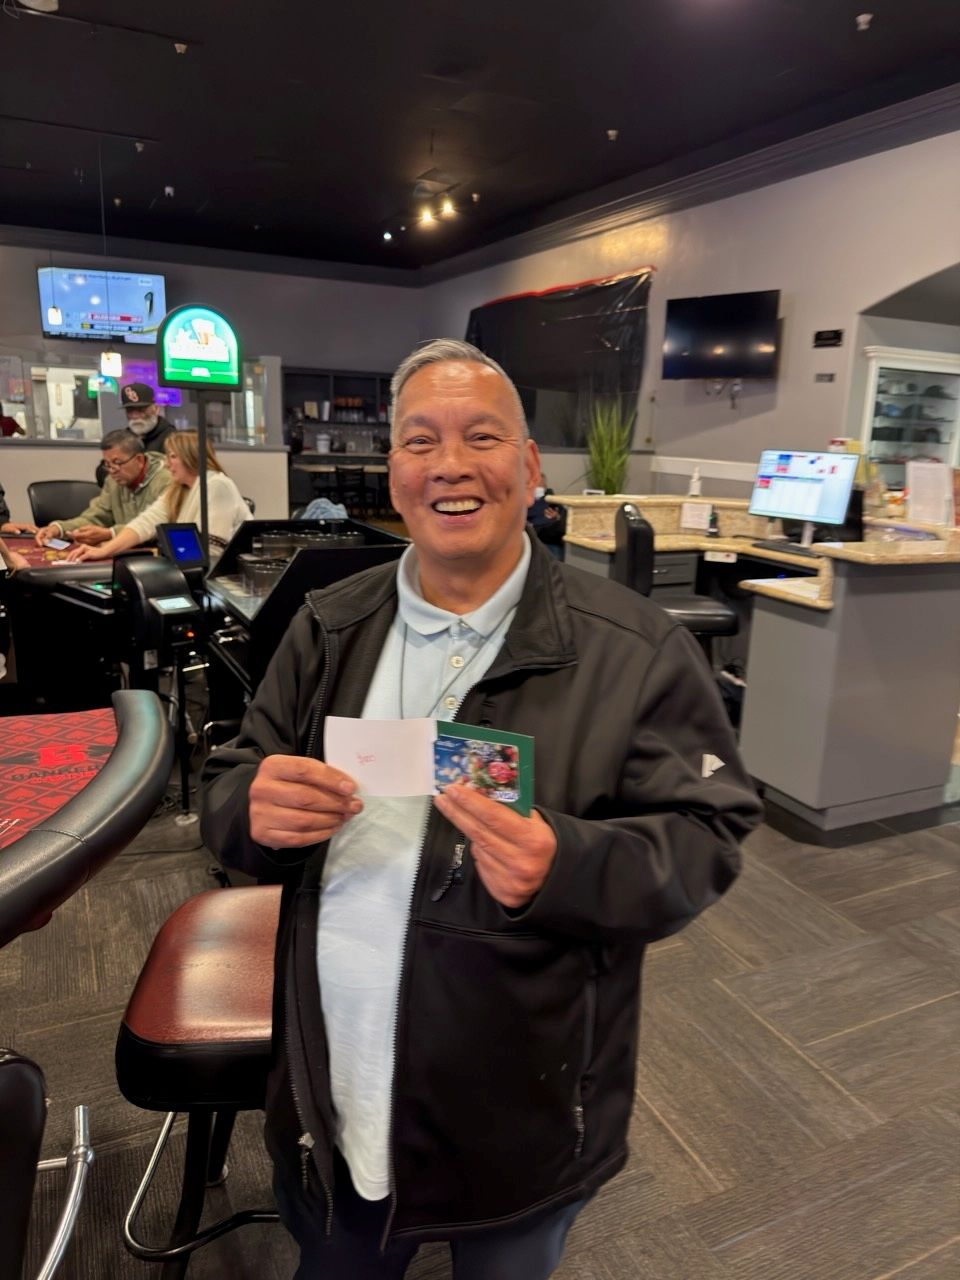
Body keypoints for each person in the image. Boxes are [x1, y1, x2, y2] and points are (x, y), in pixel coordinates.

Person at [199, 339, 762, 1279]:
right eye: (421, 441)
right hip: (332, 1097)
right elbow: (234, 774)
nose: (451, 464)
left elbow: (709, 833)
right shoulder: (330, 624)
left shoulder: (637, 651)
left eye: (482, 436)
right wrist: (249, 809)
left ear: (531, 468)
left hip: (523, 1114)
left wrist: (566, 865)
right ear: (394, 474)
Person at [68, 431, 250, 562]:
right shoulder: (180, 488)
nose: (168, 464)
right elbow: (145, 523)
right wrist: (104, 551)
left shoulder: (217, 485)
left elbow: (211, 552)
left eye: (172, 457)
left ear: (191, 457)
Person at [29, 429, 170, 546]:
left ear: (139, 460)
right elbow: (95, 516)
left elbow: (161, 528)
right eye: (107, 464)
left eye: (117, 462)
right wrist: (58, 529)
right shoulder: (113, 482)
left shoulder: (166, 480)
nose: (112, 471)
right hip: (122, 553)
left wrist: (110, 534)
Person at [93, 382, 177, 486]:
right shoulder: (122, 438)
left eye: (141, 410)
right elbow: (102, 473)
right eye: (130, 410)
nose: (136, 416)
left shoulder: (172, 439)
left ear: (156, 409)